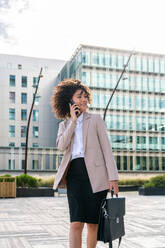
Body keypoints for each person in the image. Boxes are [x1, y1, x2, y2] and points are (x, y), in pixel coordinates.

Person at [51, 78, 119, 248]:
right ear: (70, 100)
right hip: (75, 175)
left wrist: (113, 178)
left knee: (92, 223)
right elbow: (61, 146)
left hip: (96, 177)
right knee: (76, 223)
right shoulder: (64, 124)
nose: (83, 100)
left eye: (85, 96)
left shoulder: (96, 120)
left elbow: (107, 150)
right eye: (79, 96)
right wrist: (73, 122)